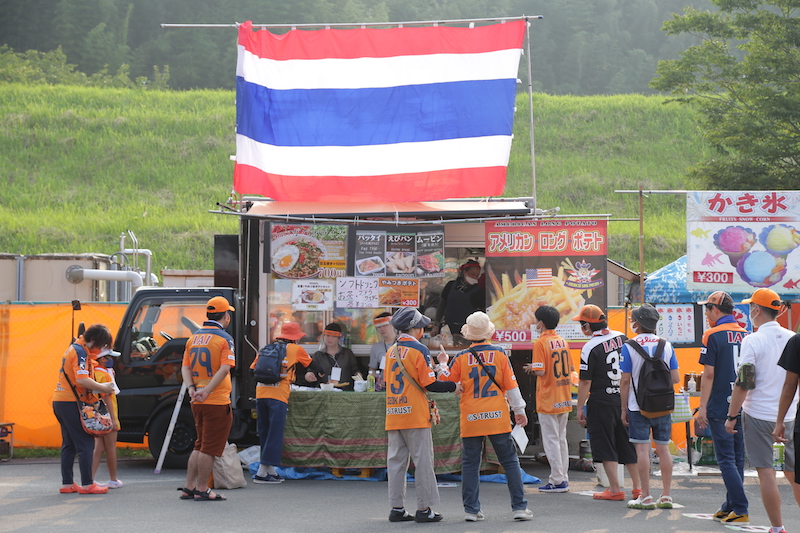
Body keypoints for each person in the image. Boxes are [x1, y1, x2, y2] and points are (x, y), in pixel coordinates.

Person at [441, 311, 533, 522]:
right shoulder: (500, 354)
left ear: (468, 334)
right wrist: (519, 411)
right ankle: (519, 507)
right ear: (489, 332)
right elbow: (512, 387)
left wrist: (443, 364)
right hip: (497, 416)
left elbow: (446, 382)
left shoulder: (461, 357)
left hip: (471, 417)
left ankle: (471, 510)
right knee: (509, 461)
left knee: (470, 464)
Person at [727, 289, 800, 533]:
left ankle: (777, 527)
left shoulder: (753, 340)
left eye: (751, 307)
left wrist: (731, 416)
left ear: (757, 309)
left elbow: (744, 381)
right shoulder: (792, 337)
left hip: (758, 414)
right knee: (793, 473)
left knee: (766, 472)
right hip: (789, 414)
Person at [385, 307, 459, 523]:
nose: (423, 331)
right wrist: (453, 386)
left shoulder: (391, 351)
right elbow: (430, 384)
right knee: (423, 462)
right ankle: (424, 509)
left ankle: (397, 508)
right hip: (415, 414)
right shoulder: (419, 350)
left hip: (394, 412)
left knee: (396, 462)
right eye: (422, 327)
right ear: (416, 329)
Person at [574, 304, 642, 501]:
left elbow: (585, 381)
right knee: (627, 445)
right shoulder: (623, 337)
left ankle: (615, 489)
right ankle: (637, 488)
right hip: (624, 400)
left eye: (582, 324)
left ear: (587, 326)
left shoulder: (589, 347)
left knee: (605, 446)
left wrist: (580, 407)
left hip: (601, 401)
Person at [695, 291, 749, 524]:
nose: (707, 315)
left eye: (707, 310)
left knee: (726, 459)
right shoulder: (746, 333)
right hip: (742, 404)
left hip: (719, 405)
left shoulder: (712, 334)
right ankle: (730, 505)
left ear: (715, 310)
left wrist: (702, 407)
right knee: (737, 459)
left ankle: (740, 507)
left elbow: (708, 374)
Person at [619, 304, 680, 510]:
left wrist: (623, 409)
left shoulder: (629, 346)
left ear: (637, 324)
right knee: (663, 449)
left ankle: (645, 496)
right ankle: (666, 495)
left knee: (642, 450)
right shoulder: (666, 345)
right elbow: (675, 378)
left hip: (638, 406)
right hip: (663, 405)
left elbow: (625, 381)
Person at [179, 296, 236, 501]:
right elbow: (225, 368)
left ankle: (189, 486)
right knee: (209, 448)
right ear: (226, 316)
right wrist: (208, 390)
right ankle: (202, 489)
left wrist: (192, 388)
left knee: (199, 444)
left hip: (197, 400)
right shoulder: (224, 339)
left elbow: (185, 367)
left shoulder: (193, 338)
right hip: (216, 400)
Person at [250, 322, 322, 484]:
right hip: (278, 395)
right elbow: (313, 365)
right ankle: (262, 472)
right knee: (275, 433)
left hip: (260, 393)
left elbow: (251, 370)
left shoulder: (266, 348)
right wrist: (321, 372)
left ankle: (270, 470)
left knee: (265, 432)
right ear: (295, 337)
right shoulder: (296, 349)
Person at [53, 323, 116, 495]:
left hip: (61, 401)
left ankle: (67, 483)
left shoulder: (75, 348)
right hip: (71, 403)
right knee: (86, 443)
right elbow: (82, 380)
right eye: (101, 345)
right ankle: (88, 484)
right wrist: (104, 387)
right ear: (93, 340)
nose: (100, 350)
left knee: (69, 444)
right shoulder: (80, 352)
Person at [525, 305, 573, 494]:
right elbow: (569, 368)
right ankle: (563, 477)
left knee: (551, 440)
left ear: (541, 323)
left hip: (548, 398)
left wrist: (532, 368)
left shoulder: (541, 342)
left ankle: (557, 480)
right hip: (564, 396)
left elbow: (540, 371)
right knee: (561, 439)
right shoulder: (562, 341)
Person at [433, 259, 485, 345]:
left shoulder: (478, 292)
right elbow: (441, 306)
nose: (474, 277)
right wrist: (436, 324)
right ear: (464, 272)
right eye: (472, 274)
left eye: (477, 275)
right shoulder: (450, 285)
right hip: (448, 329)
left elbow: (482, 312)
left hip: (468, 331)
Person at [91, 348, 122, 489]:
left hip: (97, 415)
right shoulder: (105, 375)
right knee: (110, 448)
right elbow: (108, 397)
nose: (112, 360)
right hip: (108, 415)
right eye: (110, 357)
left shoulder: (93, 372)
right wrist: (113, 420)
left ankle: (90, 478)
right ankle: (113, 479)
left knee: (99, 448)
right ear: (102, 359)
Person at [301, 323, 360, 391]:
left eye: (334, 336)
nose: (330, 338)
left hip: (345, 391)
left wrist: (360, 378)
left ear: (339, 338)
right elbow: (310, 372)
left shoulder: (347, 353)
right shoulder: (318, 355)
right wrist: (309, 376)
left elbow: (355, 371)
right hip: (324, 391)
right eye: (328, 335)